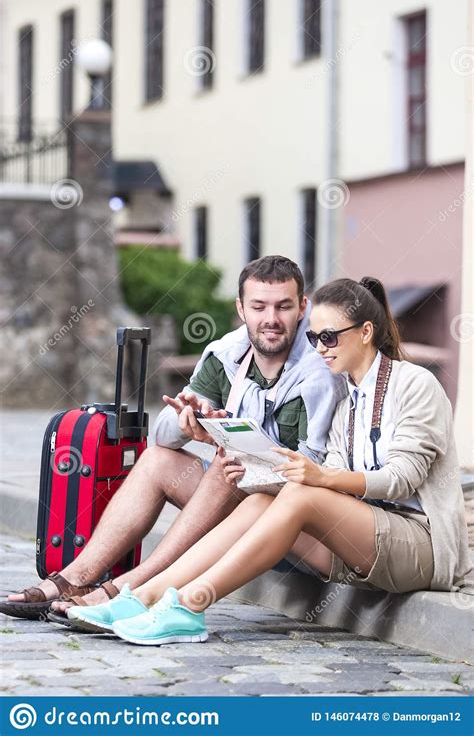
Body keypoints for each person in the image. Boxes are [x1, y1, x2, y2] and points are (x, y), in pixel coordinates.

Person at [65, 276, 472, 646]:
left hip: (423, 547)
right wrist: (253, 466)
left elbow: (401, 479)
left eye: (329, 337)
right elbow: (322, 477)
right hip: (359, 542)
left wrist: (319, 477)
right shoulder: (345, 400)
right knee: (263, 500)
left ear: (366, 332)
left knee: (299, 496)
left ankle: (189, 605)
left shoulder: (414, 384)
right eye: (313, 339)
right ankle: (142, 597)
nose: (319, 349)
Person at [1, 255, 344, 619]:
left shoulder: (321, 370)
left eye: (284, 306)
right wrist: (187, 421)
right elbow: (162, 436)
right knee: (158, 461)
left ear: (302, 307)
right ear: (241, 309)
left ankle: (127, 590)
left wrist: (249, 463)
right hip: (237, 511)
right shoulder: (228, 354)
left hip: (296, 530)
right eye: (259, 306)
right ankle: (75, 578)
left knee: (226, 468)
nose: (271, 319)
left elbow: (317, 478)